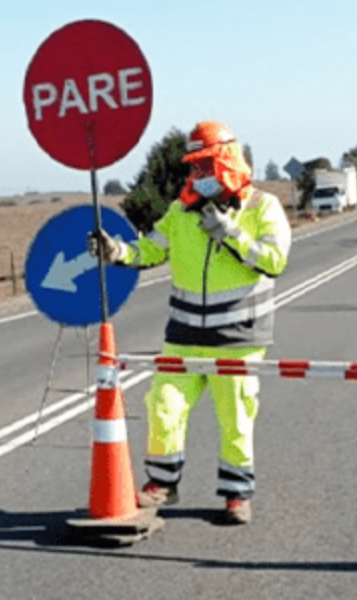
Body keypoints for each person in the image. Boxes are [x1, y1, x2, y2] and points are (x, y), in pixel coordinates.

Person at [89, 120, 291, 524]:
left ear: (226, 162)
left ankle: (237, 495)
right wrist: (116, 252)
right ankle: (162, 485)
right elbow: (150, 249)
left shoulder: (261, 207)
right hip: (183, 336)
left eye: (204, 166)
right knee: (163, 405)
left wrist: (229, 232)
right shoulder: (181, 211)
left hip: (237, 337)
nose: (196, 176)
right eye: (193, 168)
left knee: (235, 415)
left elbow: (274, 261)